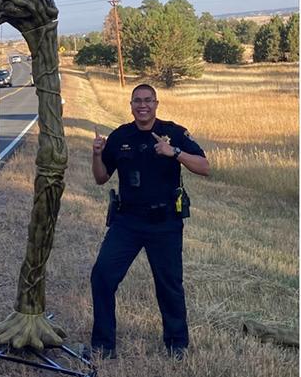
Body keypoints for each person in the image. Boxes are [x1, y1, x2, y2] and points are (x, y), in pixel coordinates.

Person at [88, 83, 210, 360]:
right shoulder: (120, 136)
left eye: (148, 100)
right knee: (102, 276)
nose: (142, 105)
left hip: (165, 222)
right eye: (137, 101)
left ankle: (176, 345)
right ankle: (103, 346)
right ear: (130, 106)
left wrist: (174, 152)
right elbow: (100, 177)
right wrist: (96, 154)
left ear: (156, 103)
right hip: (127, 221)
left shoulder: (174, 133)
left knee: (169, 284)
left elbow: (205, 167)